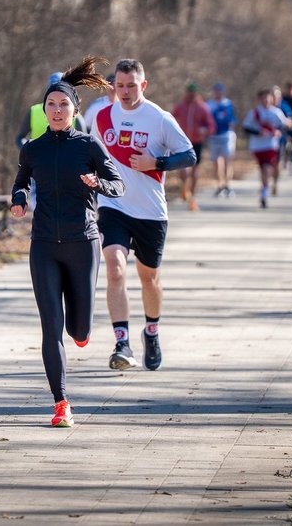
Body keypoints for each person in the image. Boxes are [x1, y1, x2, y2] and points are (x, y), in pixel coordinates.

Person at [10, 56, 125, 428]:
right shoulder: (33, 148)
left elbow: (118, 185)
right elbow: (21, 182)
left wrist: (99, 183)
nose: (57, 110)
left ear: (75, 110)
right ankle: (61, 403)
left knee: (79, 329)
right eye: (51, 105)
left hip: (82, 243)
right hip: (43, 244)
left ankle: (83, 332)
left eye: (63, 105)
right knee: (51, 326)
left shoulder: (89, 146)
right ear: (44, 110)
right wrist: (19, 199)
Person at [88, 58, 196, 372]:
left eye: (131, 86)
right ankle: (121, 343)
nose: (125, 91)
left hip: (150, 211)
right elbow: (93, 157)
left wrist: (156, 163)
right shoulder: (103, 117)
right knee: (115, 269)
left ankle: (151, 330)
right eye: (120, 86)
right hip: (113, 206)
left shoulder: (159, 119)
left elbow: (189, 155)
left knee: (149, 278)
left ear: (143, 85)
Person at [242, 88, 291, 209]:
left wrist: (278, 131)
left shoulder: (276, 112)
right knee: (263, 169)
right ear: (259, 100)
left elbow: (284, 125)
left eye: (267, 98)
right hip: (257, 146)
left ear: (271, 99)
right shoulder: (254, 113)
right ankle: (265, 187)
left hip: (271, 145)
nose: (266, 100)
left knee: (267, 168)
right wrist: (258, 132)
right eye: (263, 98)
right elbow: (246, 128)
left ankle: (264, 193)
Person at [172, 82, 214, 211]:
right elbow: (170, 118)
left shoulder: (202, 108)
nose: (191, 95)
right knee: (183, 171)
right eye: (190, 92)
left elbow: (211, 125)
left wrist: (204, 130)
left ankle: (192, 197)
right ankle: (184, 188)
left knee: (195, 171)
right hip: (182, 142)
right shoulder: (181, 106)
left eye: (194, 93)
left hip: (196, 142)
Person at [16, 72, 86, 148]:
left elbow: (83, 144)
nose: (57, 110)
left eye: (63, 103)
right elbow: (20, 138)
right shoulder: (33, 111)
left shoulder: (77, 118)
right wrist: (28, 150)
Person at [206, 82, 237, 197]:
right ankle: (220, 184)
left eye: (220, 91)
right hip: (214, 136)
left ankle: (228, 185)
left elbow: (233, 120)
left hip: (226, 135)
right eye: (216, 91)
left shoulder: (228, 104)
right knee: (216, 162)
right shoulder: (209, 105)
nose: (218, 93)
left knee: (227, 160)